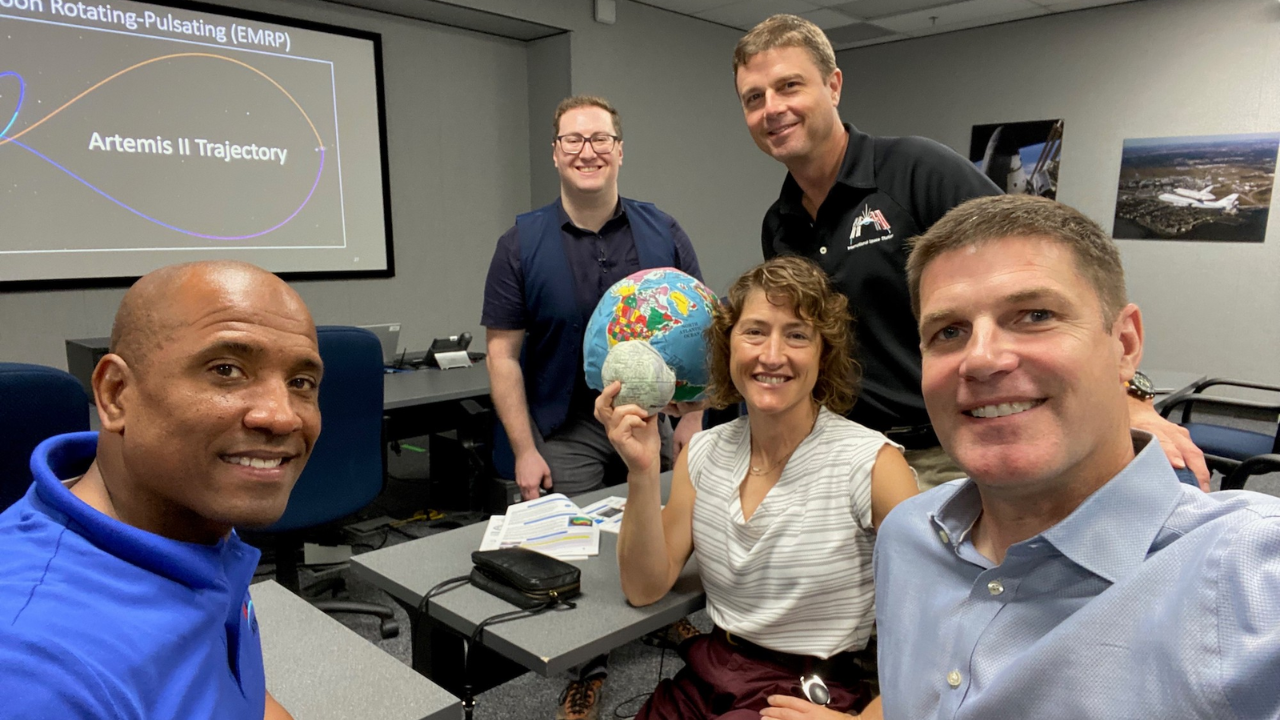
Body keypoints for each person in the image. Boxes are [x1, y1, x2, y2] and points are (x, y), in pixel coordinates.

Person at [731, 14, 1208, 490]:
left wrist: (1128, 394)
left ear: (833, 86)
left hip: (950, 447)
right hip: (848, 452)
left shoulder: (916, 171)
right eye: (755, 98)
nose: (772, 108)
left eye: (789, 86)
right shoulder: (779, 223)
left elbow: (1052, 272)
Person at [872, 195, 1280, 719]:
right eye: (948, 332)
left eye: (1035, 315)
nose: (981, 359)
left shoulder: (1251, 574)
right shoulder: (908, 538)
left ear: (1125, 344)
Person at [597, 256, 919, 720]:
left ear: (823, 353)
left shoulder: (871, 464)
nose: (772, 355)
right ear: (728, 346)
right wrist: (642, 471)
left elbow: (940, 623)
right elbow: (645, 587)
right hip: (711, 671)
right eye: (754, 331)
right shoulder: (703, 454)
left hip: (806, 690)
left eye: (797, 334)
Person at [0, 261, 315, 719]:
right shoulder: (38, 674)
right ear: (115, 394)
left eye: (301, 383)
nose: (283, 416)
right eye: (226, 369)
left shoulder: (184, 513)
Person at [481, 95, 704, 720]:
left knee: (658, 536)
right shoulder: (521, 242)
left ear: (620, 150)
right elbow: (501, 355)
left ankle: (659, 622)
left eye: (600, 138)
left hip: (650, 422)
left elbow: (700, 334)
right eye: (574, 140)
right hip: (567, 425)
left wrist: (691, 421)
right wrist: (525, 450)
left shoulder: (664, 231)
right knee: (572, 551)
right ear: (556, 152)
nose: (588, 150)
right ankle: (587, 665)